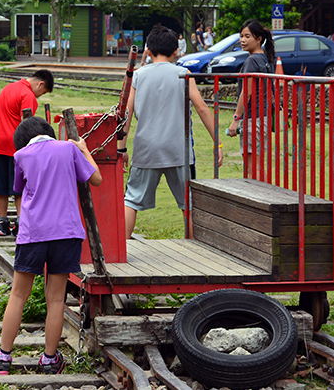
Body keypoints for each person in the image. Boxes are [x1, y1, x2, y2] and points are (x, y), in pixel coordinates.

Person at [0, 117, 101, 376]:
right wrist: (84, 149)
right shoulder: (68, 149)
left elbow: (19, 191)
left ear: (23, 140)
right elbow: (97, 179)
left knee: (18, 295)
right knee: (56, 298)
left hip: (33, 234)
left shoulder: (21, 155)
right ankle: (49, 360)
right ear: (48, 133)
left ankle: (3, 358)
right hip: (66, 233)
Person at [117, 24, 223, 239]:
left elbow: (126, 114)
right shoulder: (183, 74)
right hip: (179, 151)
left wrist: (121, 148)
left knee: (132, 200)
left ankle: (123, 249)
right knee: (188, 203)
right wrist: (217, 143)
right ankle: (194, 249)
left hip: (146, 150)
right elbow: (202, 108)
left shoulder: (138, 76)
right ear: (177, 51)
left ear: (147, 50)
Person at [0, 70, 54, 236]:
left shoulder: (8, 88)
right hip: (15, 148)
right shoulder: (28, 95)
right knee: (19, 188)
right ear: (40, 84)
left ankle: (1, 224)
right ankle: (20, 223)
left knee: (1, 186)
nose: (39, 96)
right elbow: (26, 126)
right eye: (43, 92)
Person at [227, 19, 275, 177]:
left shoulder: (252, 61)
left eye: (247, 36)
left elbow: (246, 92)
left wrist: (236, 118)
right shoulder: (266, 59)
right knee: (258, 167)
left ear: (259, 38)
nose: (243, 40)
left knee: (250, 170)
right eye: (241, 36)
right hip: (264, 118)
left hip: (252, 118)